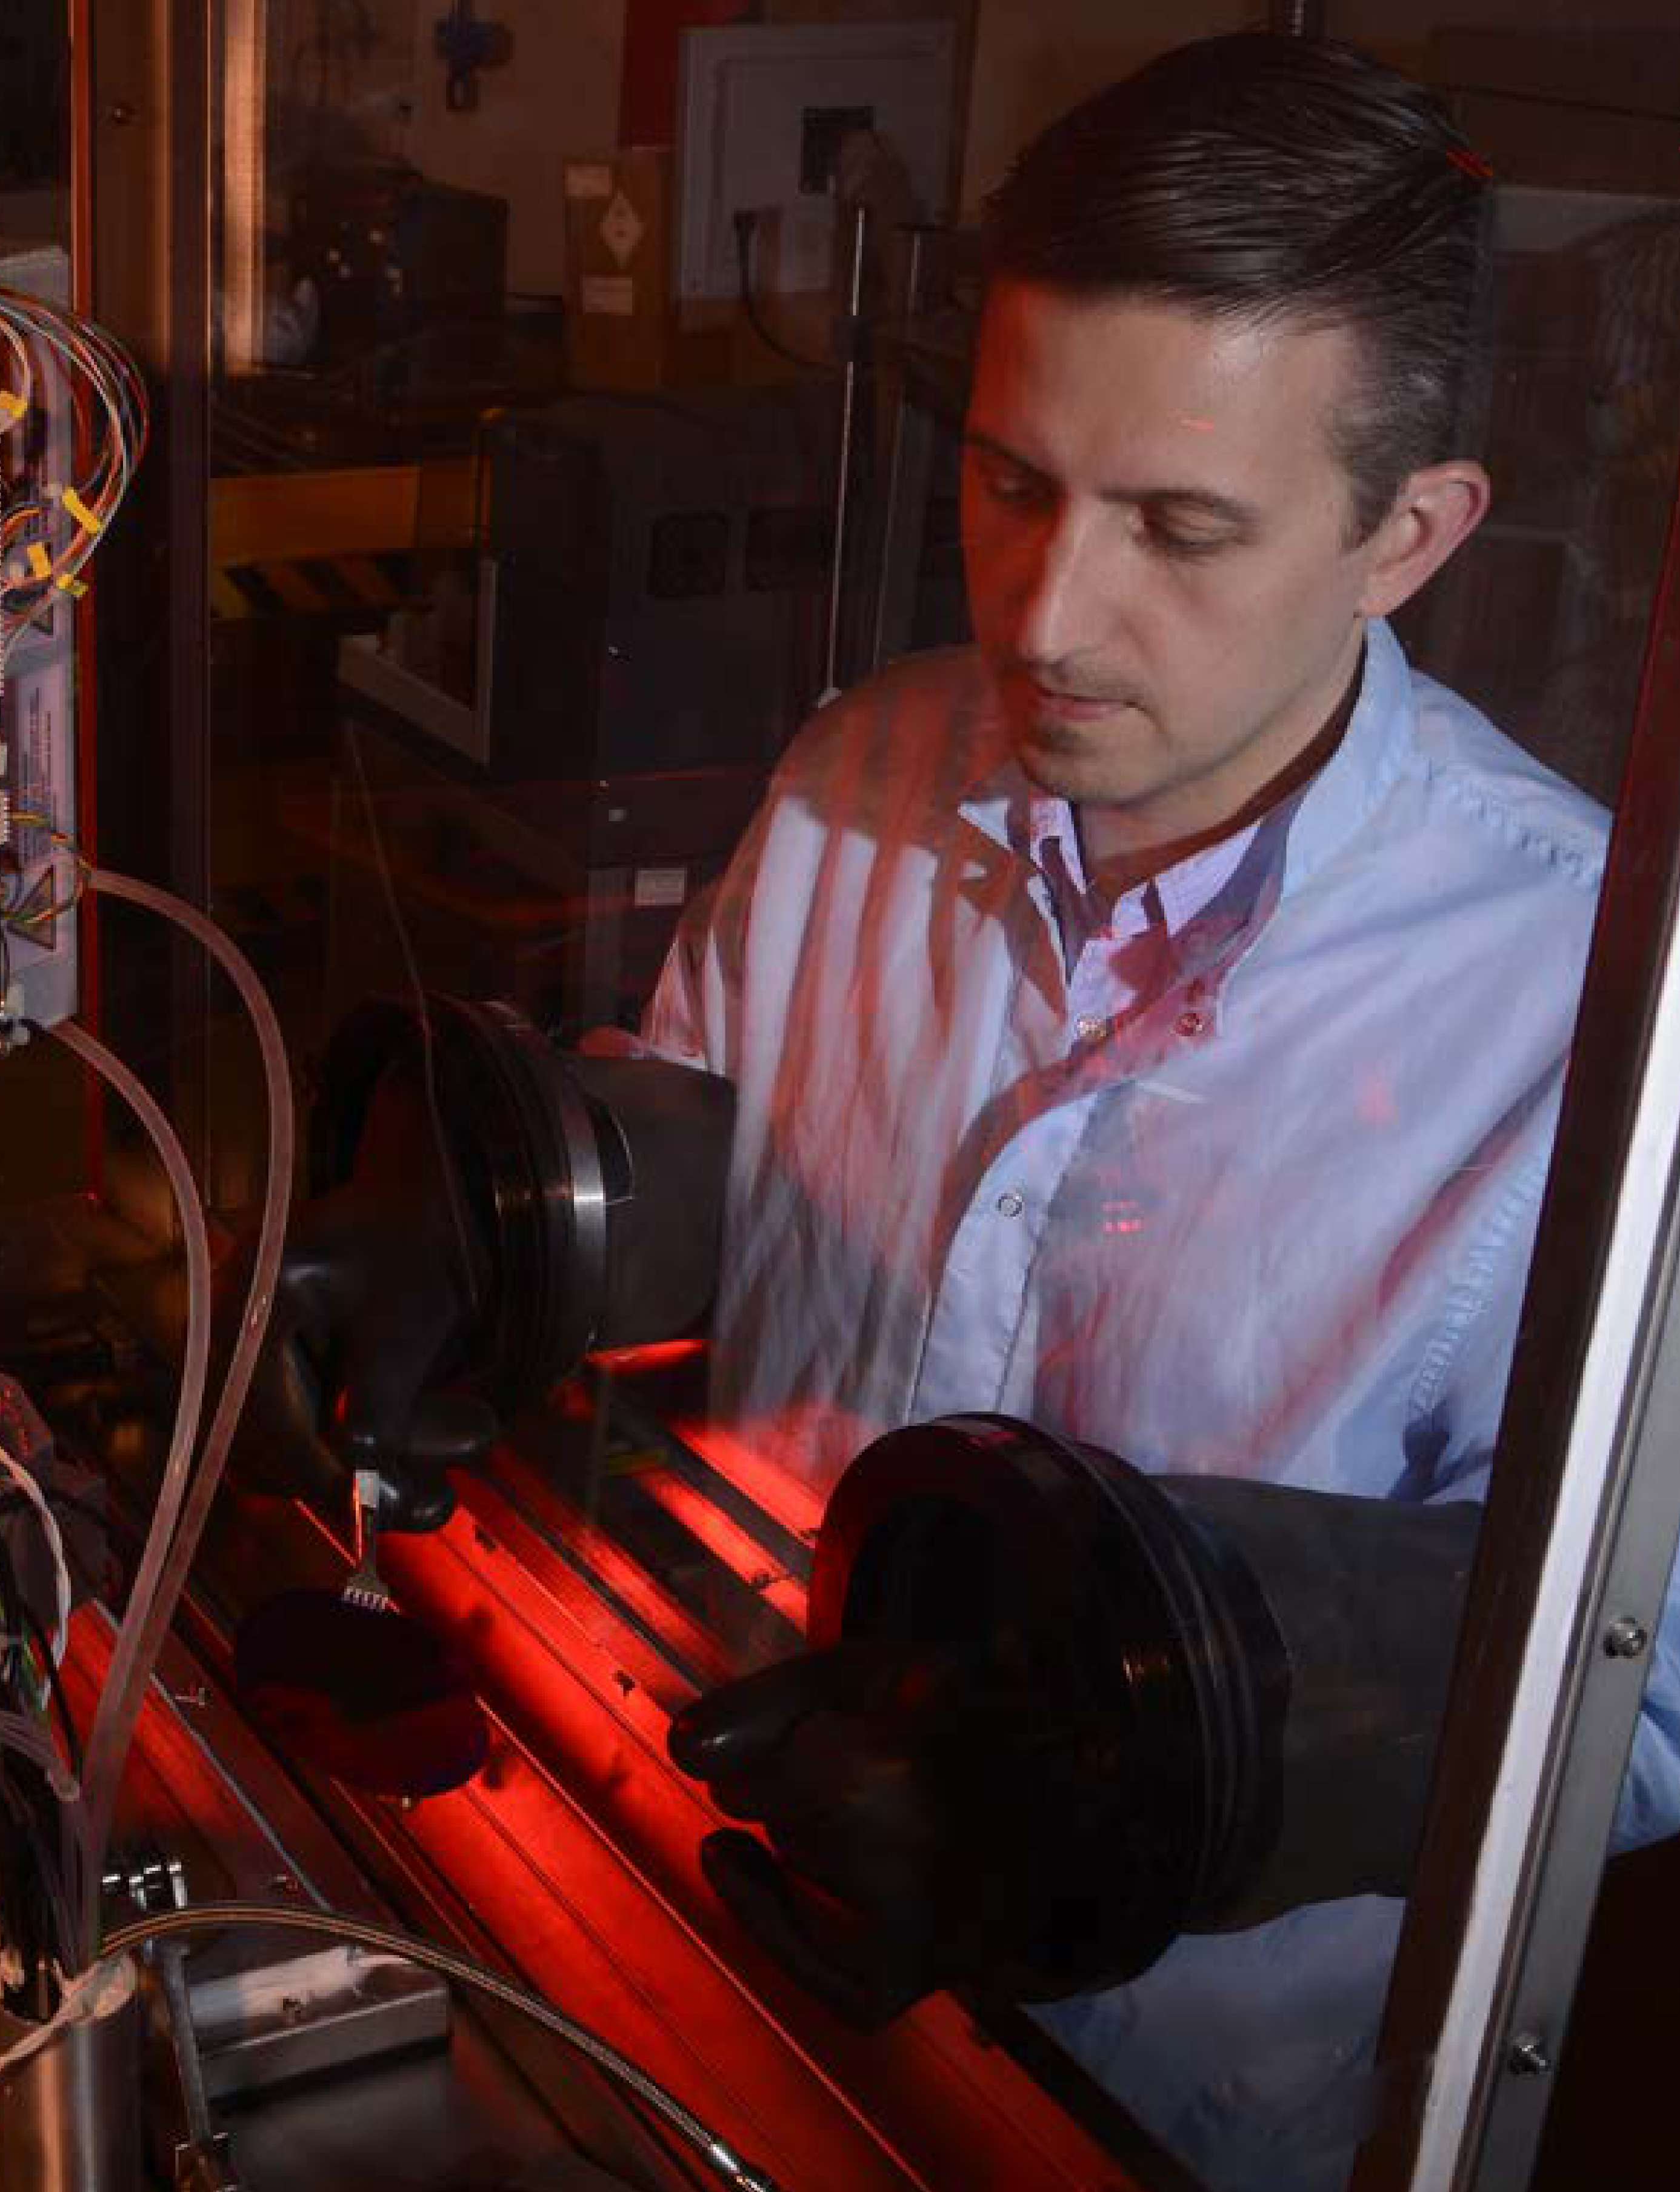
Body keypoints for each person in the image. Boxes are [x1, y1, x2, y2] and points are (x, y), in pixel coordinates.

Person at [632, 30, 1680, 2192]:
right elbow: (668, 1225)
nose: (1046, 611)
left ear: (1407, 533)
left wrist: (1075, 1792)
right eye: (1011, 482)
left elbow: (1635, 1707)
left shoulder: (1583, 1017)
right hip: (711, 1920)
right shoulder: (856, 782)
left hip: (1172, 2116)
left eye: (1179, 528)